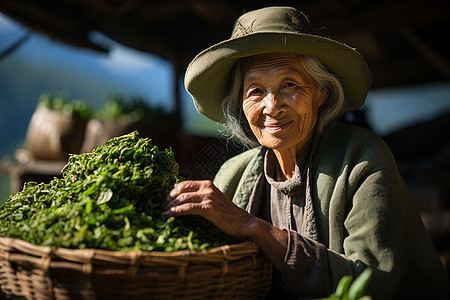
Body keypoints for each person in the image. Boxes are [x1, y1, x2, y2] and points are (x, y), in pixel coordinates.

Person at [163, 6, 448, 299]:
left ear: (321, 93)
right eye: (255, 91)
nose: (272, 106)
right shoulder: (233, 174)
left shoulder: (362, 157)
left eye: (289, 85)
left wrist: (253, 227)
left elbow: (370, 284)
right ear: (241, 103)